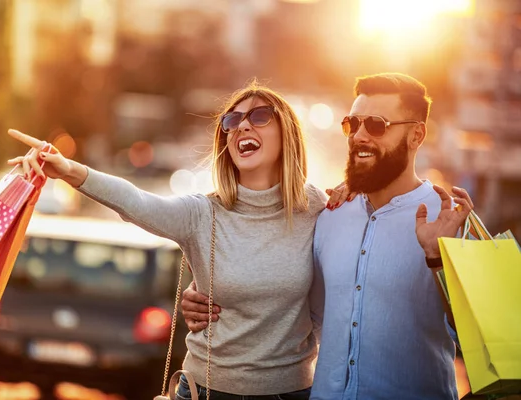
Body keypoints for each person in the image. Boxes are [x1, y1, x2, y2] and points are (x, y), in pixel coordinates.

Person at [7, 81, 353, 400]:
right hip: (206, 391)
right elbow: (135, 202)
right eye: (232, 121)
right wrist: (69, 170)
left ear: (287, 133)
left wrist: (359, 188)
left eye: (260, 116)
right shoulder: (202, 213)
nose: (243, 126)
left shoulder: (318, 208)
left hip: (290, 393)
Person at [180, 73, 474, 400]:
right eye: (353, 124)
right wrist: (207, 290)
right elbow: (294, 298)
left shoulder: (451, 219)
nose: (360, 136)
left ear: (416, 134)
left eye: (376, 125)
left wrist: (438, 260)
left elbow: (477, 338)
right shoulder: (330, 214)